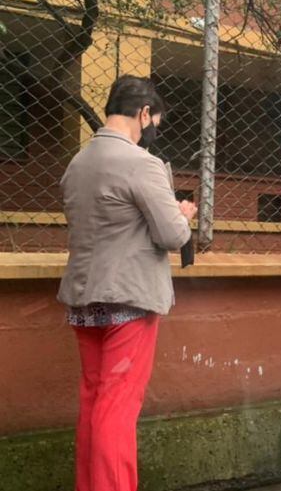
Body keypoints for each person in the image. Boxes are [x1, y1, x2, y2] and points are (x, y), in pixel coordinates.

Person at [58, 75, 196, 491]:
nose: (154, 129)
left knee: (94, 400)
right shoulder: (142, 163)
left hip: (84, 298)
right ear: (143, 114)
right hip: (128, 301)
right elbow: (172, 235)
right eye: (156, 120)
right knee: (117, 408)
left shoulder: (78, 162)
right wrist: (183, 214)